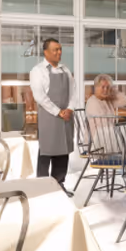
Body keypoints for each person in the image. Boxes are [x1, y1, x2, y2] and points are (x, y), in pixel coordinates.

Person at [29, 38, 81, 187]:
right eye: (55, 50)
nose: (59, 52)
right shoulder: (37, 71)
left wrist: (70, 109)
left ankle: (60, 185)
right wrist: (58, 112)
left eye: (60, 49)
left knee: (63, 152)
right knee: (47, 151)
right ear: (46, 52)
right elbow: (40, 96)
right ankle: (43, 187)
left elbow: (73, 92)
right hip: (49, 116)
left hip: (66, 116)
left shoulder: (65, 69)